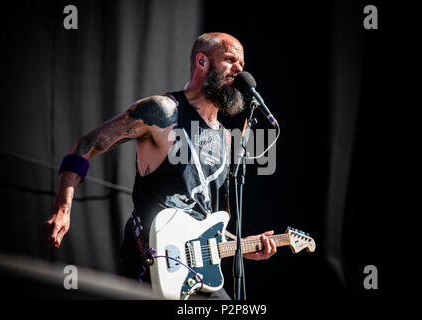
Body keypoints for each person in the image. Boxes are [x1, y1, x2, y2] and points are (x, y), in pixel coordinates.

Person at [44, 32, 277, 299]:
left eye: (242, 65)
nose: (238, 70)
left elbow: (203, 219)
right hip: (150, 265)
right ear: (202, 61)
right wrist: (62, 208)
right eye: (229, 60)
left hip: (196, 275)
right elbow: (86, 145)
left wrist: (241, 247)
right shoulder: (163, 112)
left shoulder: (225, 139)